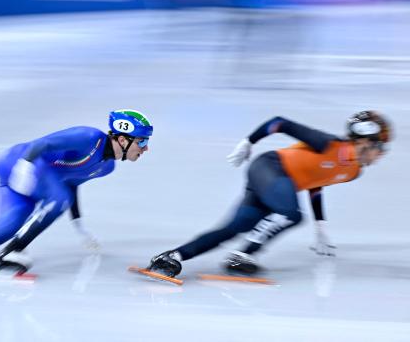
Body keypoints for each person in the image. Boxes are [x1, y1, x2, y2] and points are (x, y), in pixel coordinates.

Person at [147, 111, 391, 277]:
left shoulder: (353, 171)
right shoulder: (329, 145)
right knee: (291, 214)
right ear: (364, 142)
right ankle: (242, 254)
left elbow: (318, 182)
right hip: (270, 168)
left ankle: (172, 256)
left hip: (279, 185)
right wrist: (248, 142)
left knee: (234, 227)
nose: (381, 155)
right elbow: (279, 123)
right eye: (380, 148)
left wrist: (320, 224)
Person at [0, 109, 153, 277]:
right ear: (122, 139)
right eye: (142, 142)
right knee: (59, 198)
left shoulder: (106, 167)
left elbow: (71, 185)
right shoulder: (89, 137)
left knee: (4, 230)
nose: (145, 148)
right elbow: (42, 144)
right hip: (19, 163)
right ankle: (14, 251)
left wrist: (79, 224)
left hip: (36, 181)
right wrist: (25, 165)